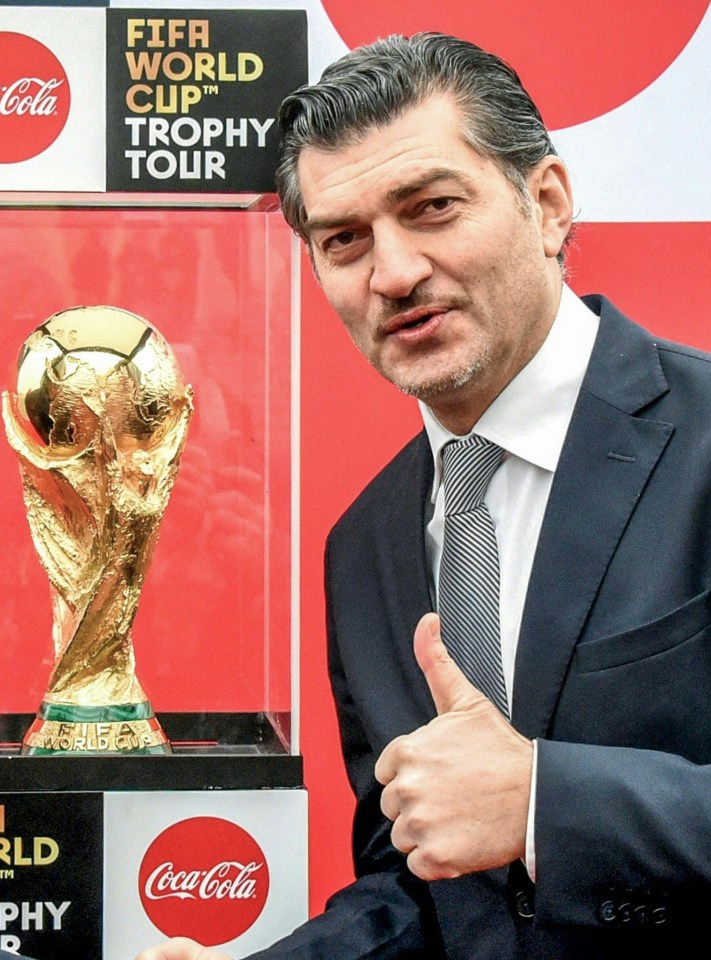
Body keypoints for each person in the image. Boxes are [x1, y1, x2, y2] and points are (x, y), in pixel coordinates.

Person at [137, 32, 711, 960]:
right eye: (343, 240)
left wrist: (544, 803)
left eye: (432, 207)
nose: (392, 273)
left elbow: (512, 815)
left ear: (547, 203)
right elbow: (422, 888)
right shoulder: (362, 546)